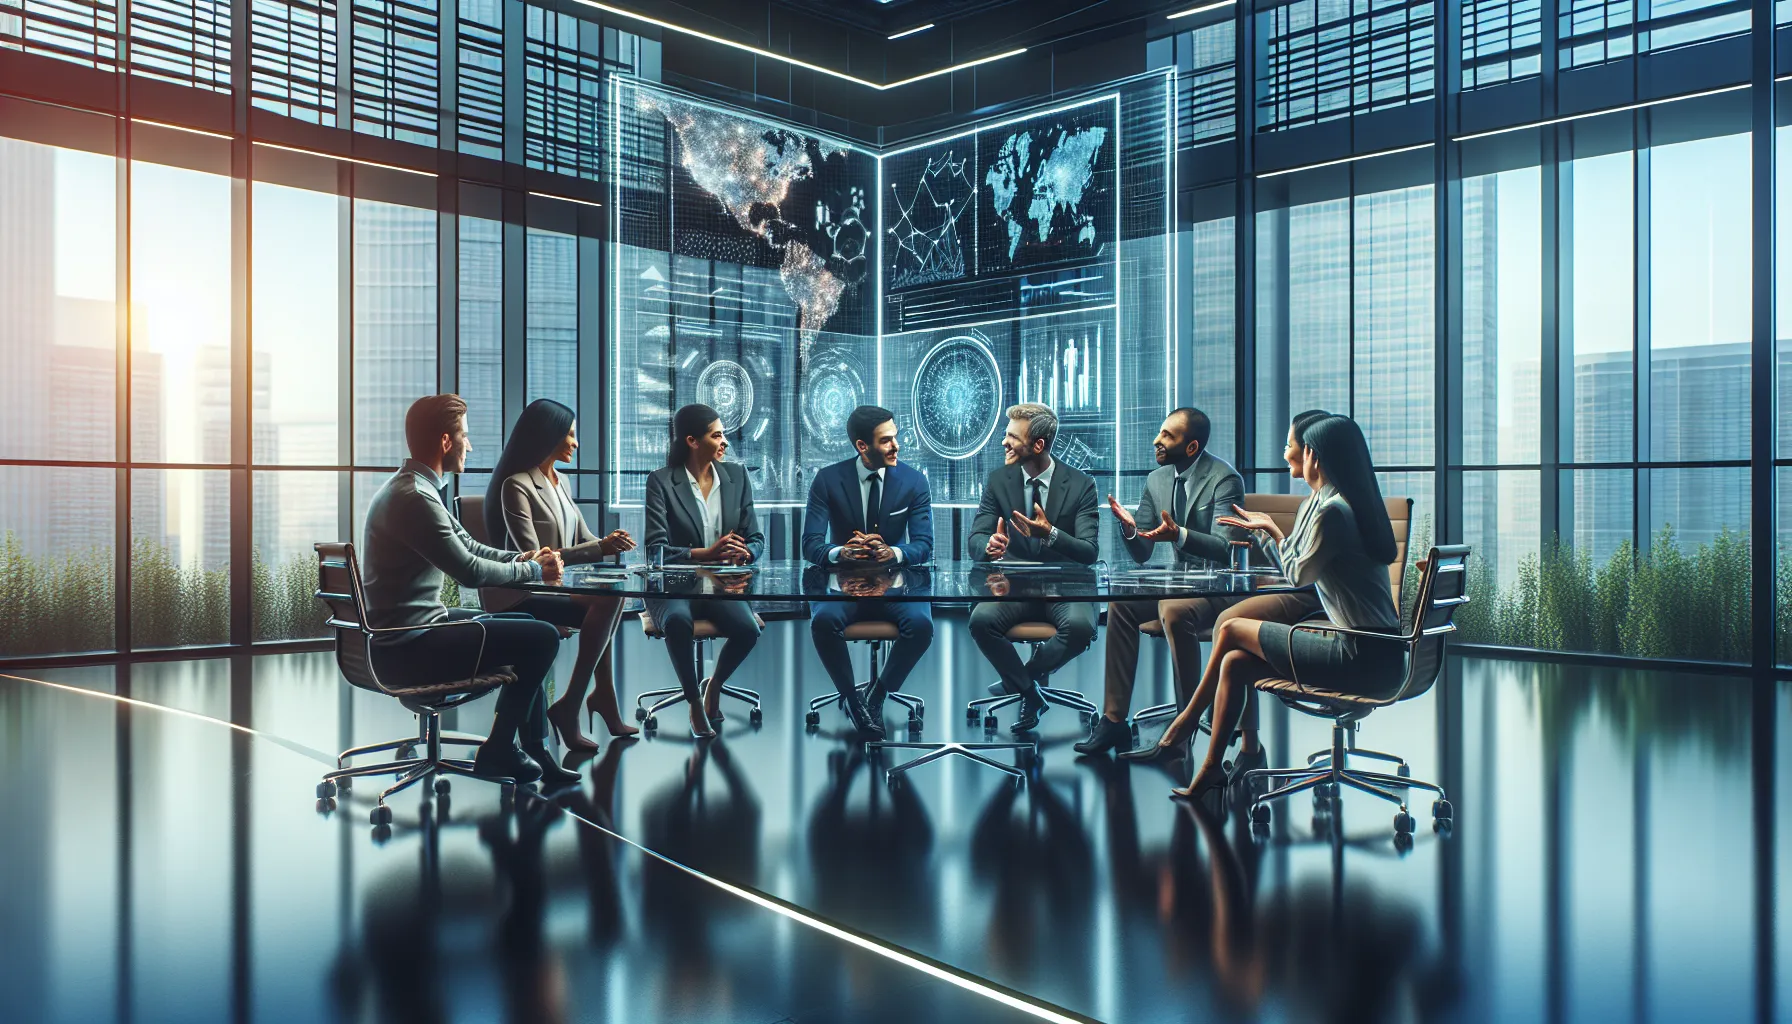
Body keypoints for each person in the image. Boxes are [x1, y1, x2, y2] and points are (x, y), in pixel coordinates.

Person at [1159, 415, 1405, 803]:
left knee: (1230, 628)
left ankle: (1184, 723)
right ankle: (1209, 772)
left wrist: (1266, 532)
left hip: (1361, 656)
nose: (1288, 451)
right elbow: (1304, 563)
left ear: (1313, 454)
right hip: (1381, 653)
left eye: (1294, 445)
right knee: (1235, 662)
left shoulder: (1334, 513)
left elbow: (1296, 575)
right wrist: (1274, 532)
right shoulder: (1340, 502)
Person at [1080, 409, 1333, 760]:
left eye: (1168, 435)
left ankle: (1184, 727)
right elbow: (1142, 551)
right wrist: (1128, 530)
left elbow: (1224, 546)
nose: (1157, 440)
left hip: (1219, 591)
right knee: (1122, 605)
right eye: (1160, 433)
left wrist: (1180, 535)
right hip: (1178, 586)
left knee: (1173, 612)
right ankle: (1114, 719)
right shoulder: (1156, 481)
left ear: (1192, 445)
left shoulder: (1224, 479)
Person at [359, 394, 574, 787]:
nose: (469, 446)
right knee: (541, 638)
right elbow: (469, 571)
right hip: (408, 648)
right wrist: (533, 571)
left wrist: (522, 557)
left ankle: (534, 749)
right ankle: (500, 750)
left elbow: (469, 546)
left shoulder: (414, 488)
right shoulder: (416, 498)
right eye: (465, 436)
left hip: (406, 633)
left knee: (524, 624)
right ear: (445, 442)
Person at [482, 398, 638, 754]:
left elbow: (585, 539)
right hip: (524, 592)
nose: (576, 442)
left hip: (558, 588)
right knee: (610, 600)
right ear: (547, 436)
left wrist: (609, 543)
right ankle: (576, 704)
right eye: (569, 434)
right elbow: (537, 559)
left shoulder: (562, 482)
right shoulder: (516, 486)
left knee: (614, 596)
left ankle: (602, 698)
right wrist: (601, 548)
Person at [966, 403, 1100, 732]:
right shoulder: (999, 481)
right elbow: (976, 536)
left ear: (1037, 445)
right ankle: (1031, 692)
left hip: (1066, 587)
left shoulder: (1082, 484)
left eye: (1012, 436)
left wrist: (1051, 534)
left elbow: (1089, 551)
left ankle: (1022, 680)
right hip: (1014, 584)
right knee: (980, 621)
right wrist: (988, 545)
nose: (1003, 442)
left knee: (1082, 628)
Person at [802, 405, 935, 738]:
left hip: (895, 584)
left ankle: (877, 695)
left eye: (896, 437)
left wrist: (894, 552)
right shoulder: (827, 480)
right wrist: (840, 552)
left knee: (921, 625)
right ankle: (853, 700)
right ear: (863, 446)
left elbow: (924, 544)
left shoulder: (914, 482)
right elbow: (809, 544)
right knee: (823, 622)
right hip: (843, 583)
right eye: (887, 440)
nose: (896, 446)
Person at [642, 403, 764, 739]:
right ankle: (695, 704)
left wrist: (747, 551)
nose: (724, 442)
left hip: (720, 584)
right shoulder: (662, 482)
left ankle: (714, 686)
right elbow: (655, 551)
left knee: (748, 630)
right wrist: (704, 554)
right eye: (717, 435)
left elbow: (757, 537)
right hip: (675, 585)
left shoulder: (737, 477)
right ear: (693, 441)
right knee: (679, 622)